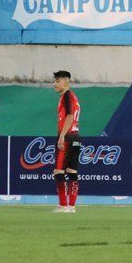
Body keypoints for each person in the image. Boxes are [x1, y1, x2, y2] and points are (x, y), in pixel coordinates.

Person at [52, 70, 81, 213]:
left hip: (68, 136)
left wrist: (62, 136)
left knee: (58, 171)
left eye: (57, 81)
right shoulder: (74, 97)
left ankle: (63, 205)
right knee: (72, 171)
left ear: (65, 81)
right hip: (76, 137)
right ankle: (71, 206)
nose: (54, 84)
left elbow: (69, 116)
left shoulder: (67, 96)